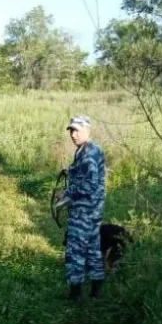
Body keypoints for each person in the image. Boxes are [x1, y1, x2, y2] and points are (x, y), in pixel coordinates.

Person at [63, 115, 107, 300]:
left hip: (84, 211)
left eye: (77, 130)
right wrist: (71, 171)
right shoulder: (89, 149)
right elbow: (88, 175)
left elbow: (90, 184)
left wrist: (67, 192)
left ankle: (75, 293)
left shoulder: (88, 153)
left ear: (87, 131)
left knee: (75, 249)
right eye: (71, 130)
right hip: (93, 211)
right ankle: (96, 291)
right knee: (93, 249)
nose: (73, 134)